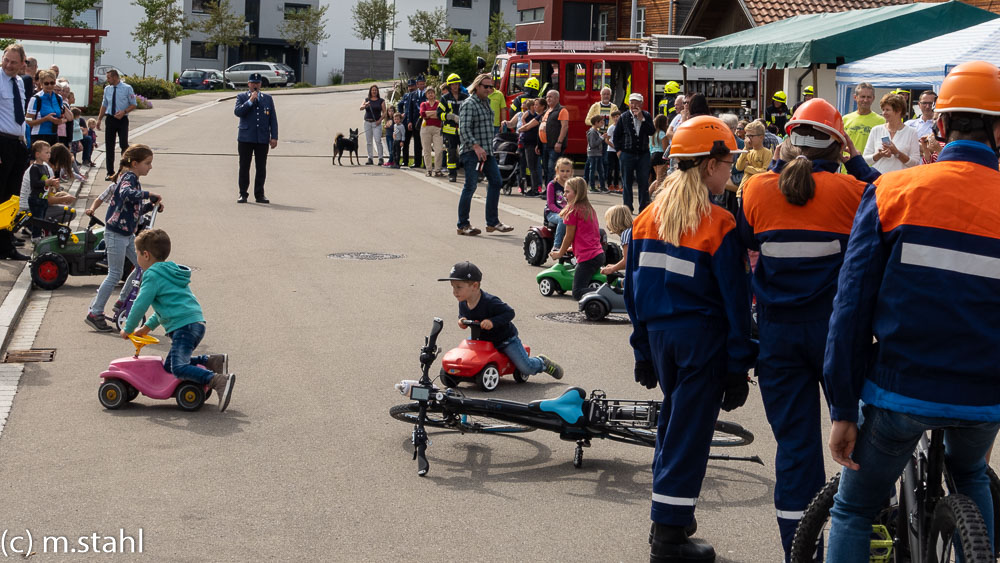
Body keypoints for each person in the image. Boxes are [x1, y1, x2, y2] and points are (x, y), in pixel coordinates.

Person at [822, 60, 1000, 562]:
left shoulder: (893, 191)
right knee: (970, 474)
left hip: (902, 388)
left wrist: (841, 408)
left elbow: (850, 309)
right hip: (986, 392)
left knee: (854, 510)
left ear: (939, 125)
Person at [736, 99, 866, 562]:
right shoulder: (853, 192)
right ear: (838, 144)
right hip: (838, 336)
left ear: (788, 140)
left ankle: (801, 552)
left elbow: (749, 240)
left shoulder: (756, 190)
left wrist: (781, 161)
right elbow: (882, 199)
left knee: (796, 451)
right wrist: (854, 158)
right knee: (859, 448)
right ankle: (866, 545)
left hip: (778, 337)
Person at [626, 115, 755, 562]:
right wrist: (739, 365)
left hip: (662, 342)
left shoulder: (646, 218)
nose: (732, 171)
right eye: (728, 163)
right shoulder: (718, 223)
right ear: (707, 166)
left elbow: (633, 292)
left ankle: (669, 522)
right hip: (702, 342)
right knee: (688, 438)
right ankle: (669, 540)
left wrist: (642, 350)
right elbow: (737, 304)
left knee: (672, 429)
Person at [122, 229, 236, 412]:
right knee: (170, 364)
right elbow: (165, 308)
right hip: (195, 322)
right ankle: (212, 361)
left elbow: (140, 304)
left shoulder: (151, 275)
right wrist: (146, 328)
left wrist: (128, 328)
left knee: (178, 368)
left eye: (137, 253)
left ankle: (217, 380)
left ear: (146, 254)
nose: (136, 258)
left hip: (184, 327)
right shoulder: (170, 271)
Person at [439, 261, 564, 380]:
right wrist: (461, 320)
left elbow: (510, 313)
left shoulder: (490, 302)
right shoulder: (463, 302)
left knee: (526, 368)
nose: (454, 292)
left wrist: (492, 322)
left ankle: (542, 362)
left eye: (458, 287)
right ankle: (463, 372)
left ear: (475, 286)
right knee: (464, 354)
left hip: (505, 340)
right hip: (481, 341)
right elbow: (462, 315)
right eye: (453, 287)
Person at [85, 143, 164, 331]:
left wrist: (149, 206)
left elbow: (131, 208)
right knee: (114, 273)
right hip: (116, 233)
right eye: (147, 163)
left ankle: (121, 302)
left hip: (127, 234)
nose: (150, 167)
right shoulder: (128, 177)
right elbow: (125, 194)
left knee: (141, 266)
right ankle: (95, 312)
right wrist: (148, 194)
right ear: (135, 163)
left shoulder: (133, 177)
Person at [456, 74, 513, 236]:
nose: (489, 89)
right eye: (486, 86)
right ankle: (463, 224)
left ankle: (493, 222)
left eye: (491, 87)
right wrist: (476, 146)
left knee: (496, 182)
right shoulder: (469, 104)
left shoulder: (487, 103)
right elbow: (464, 129)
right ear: (477, 87)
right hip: (471, 152)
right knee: (471, 186)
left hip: (487, 151)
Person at [549, 177, 605, 300]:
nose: (564, 195)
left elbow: (568, 236)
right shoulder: (589, 208)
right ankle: (604, 290)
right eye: (564, 191)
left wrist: (560, 253)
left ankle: (608, 292)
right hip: (598, 254)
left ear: (577, 193)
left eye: (567, 192)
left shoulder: (572, 211)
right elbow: (588, 234)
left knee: (578, 292)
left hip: (587, 258)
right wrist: (572, 248)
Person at [233, 73, 278, 204]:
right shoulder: (241, 97)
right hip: (246, 138)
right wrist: (250, 101)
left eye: (257, 83)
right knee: (244, 167)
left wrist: (274, 136)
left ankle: (259, 194)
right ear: (248, 84)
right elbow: (238, 112)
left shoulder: (268, 99)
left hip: (262, 139)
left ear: (261, 84)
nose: (255, 85)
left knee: (261, 167)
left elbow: (273, 119)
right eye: (253, 83)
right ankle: (243, 194)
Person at [20, 140, 74, 239]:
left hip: (28, 206)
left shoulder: (43, 167)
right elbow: (47, 199)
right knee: (71, 212)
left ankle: (36, 227)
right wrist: (64, 199)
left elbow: (47, 193)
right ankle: (37, 227)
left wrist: (59, 193)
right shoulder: (45, 169)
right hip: (30, 207)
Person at [613, 92, 655, 213]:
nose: (634, 105)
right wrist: (618, 151)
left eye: (636, 102)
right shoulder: (624, 116)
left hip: (643, 154)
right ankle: (628, 207)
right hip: (627, 154)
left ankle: (643, 208)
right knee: (627, 182)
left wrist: (642, 119)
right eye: (632, 102)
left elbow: (651, 131)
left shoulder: (646, 115)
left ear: (641, 104)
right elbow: (616, 135)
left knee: (643, 182)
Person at [863, 93, 920, 174]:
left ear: (899, 110)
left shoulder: (911, 132)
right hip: (879, 180)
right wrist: (879, 154)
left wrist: (897, 153)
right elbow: (865, 160)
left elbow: (915, 163)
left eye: (887, 110)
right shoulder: (876, 130)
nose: (884, 113)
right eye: (883, 109)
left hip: (900, 180)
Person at [96, 69, 137, 181]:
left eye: (109, 77)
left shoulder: (127, 88)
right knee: (109, 146)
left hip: (122, 119)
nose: (107, 80)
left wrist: (124, 111)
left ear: (115, 77)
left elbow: (133, 104)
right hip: (110, 118)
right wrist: (99, 119)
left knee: (124, 145)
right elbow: (104, 104)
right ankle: (110, 172)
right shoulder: (107, 89)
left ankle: (126, 170)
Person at [842, 82, 885, 156]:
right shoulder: (845, 119)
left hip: (870, 166)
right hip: (848, 165)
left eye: (868, 97)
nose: (865, 100)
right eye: (863, 96)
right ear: (855, 97)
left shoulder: (881, 121)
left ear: (873, 98)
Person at [439, 74, 468, 182]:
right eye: (453, 85)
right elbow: (439, 114)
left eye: (457, 84)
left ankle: (468, 173)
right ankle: (452, 174)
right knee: (451, 153)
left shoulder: (465, 97)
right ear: (449, 86)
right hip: (449, 131)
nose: (455, 86)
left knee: (465, 152)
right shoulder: (445, 98)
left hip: (463, 130)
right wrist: (449, 116)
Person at [25, 70, 66, 147]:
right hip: (39, 136)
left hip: (54, 135)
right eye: (46, 83)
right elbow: (28, 121)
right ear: (41, 84)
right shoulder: (36, 99)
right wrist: (45, 119)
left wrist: (60, 120)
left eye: (52, 83)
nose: (49, 85)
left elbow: (61, 115)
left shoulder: (58, 98)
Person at [735, 120, 772, 199]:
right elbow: (738, 167)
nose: (748, 139)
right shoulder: (747, 151)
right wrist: (745, 149)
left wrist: (748, 168)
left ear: (761, 137)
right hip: (742, 191)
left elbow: (765, 172)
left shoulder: (767, 153)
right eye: (746, 136)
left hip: (757, 192)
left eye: (751, 136)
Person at [517, 97, 545, 196]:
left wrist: (521, 129)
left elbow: (528, 126)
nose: (535, 106)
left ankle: (534, 189)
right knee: (533, 167)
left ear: (542, 106)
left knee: (532, 167)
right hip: (532, 143)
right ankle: (536, 187)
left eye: (537, 105)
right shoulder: (537, 115)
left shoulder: (539, 116)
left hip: (531, 144)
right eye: (534, 105)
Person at [542, 90, 569, 183]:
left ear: (557, 98)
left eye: (550, 97)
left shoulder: (562, 110)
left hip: (554, 145)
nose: (548, 99)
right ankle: (548, 189)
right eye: (547, 97)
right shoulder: (547, 111)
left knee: (552, 168)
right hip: (545, 144)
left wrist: (559, 142)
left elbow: (564, 126)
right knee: (546, 168)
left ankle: (552, 190)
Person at [545, 157, 572, 250]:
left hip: (569, 212)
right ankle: (557, 246)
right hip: (552, 213)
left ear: (571, 171)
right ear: (557, 170)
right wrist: (562, 211)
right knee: (563, 220)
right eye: (562, 171)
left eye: (567, 171)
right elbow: (551, 204)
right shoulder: (552, 185)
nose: (565, 173)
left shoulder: (573, 185)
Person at [419, 86, 444, 177]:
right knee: (426, 150)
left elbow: (440, 114)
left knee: (439, 150)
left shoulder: (439, 103)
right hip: (426, 128)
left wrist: (429, 114)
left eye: (432, 92)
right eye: (428, 93)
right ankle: (429, 169)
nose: (430, 94)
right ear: (426, 95)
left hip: (437, 128)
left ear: (434, 94)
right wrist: (433, 113)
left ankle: (437, 170)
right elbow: (422, 114)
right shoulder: (424, 104)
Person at [600, 204, 632, 275]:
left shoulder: (626, 234)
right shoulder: (632, 230)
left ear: (613, 221)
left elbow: (627, 260)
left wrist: (612, 269)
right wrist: (615, 266)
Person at [402, 76, 426, 168]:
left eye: (423, 83)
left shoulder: (427, 94)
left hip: (425, 121)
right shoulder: (413, 94)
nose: (422, 85)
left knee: (424, 143)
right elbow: (410, 109)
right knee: (416, 143)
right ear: (417, 84)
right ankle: (417, 162)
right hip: (415, 122)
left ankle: (425, 163)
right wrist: (409, 121)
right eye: (420, 84)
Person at [359, 84, 385, 165]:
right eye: (373, 90)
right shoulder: (367, 99)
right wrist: (365, 105)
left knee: (378, 140)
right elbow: (360, 108)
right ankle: (370, 158)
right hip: (367, 122)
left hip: (376, 123)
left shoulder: (381, 101)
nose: (374, 91)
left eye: (375, 90)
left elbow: (385, 112)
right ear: (370, 91)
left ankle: (380, 158)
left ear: (377, 91)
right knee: (369, 141)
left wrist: (380, 120)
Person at [648, 114, 669, 196]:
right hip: (660, 156)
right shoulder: (662, 134)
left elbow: (650, 147)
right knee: (660, 179)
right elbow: (665, 149)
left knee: (658, 178)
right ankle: (657, 197)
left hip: (653, 156)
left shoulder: (652, 134)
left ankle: (648, 194)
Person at [585, 116, 607, 193]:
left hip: (597, 154)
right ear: (596, 123)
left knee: (601, 171)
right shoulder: (592, 132)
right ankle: (592, 187)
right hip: (593, 154)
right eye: (601, 122)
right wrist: (601, 138)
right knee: (593, 171)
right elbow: (592, 144)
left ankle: (602, 186)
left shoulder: (596, 131)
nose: (603, 123)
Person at [605, 110, 622, 193]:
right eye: (614, 117)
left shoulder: (622, 127)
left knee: (617, 168)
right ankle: (609, 184)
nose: (616, 118)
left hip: (619, 150)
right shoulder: (611, 128)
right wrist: (614, 146)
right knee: (610, 168)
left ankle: (616, 184)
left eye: (617, 116)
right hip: (611, 151)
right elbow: (607, 140)